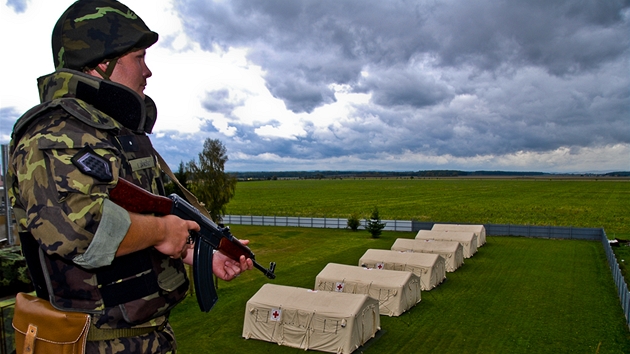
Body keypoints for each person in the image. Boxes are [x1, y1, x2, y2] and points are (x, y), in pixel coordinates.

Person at [7, 0, 253, 352]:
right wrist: (164, 230)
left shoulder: (108, 132)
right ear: (103, 63)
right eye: (139, 57)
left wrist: (195, 251)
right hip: (92, 343)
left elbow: (139, 222)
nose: (147, 71)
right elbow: (81, 230)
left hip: (140, 338)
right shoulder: (57, 133)